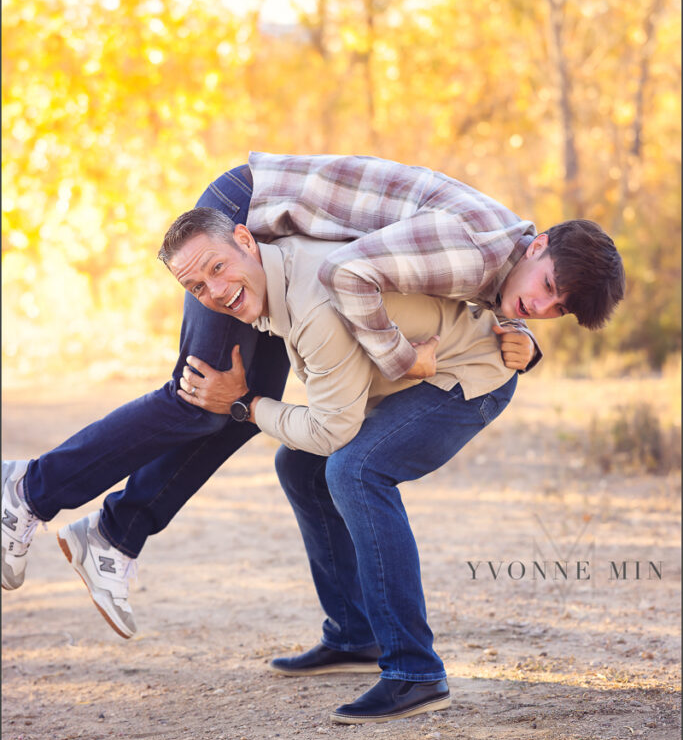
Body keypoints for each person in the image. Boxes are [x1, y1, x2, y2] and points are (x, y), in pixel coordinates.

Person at [2, 154, 624, 643]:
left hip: (279, 251)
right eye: (548, 288)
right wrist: (404, 360)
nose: (543, 307)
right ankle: (27, 490)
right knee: (200, 396)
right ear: (537, 243)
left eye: (558, 309)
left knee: (242, 405)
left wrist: (524, 341)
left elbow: (472, 306)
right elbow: (352, 274)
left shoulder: (504, 259)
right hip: (245, 216)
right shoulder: (475, 248)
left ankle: (113, 536)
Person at [157, 204, 620, 722]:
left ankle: (414, 671)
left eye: (558, 309)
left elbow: (334, 430)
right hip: (415, 371)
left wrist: (245, 405)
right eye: (199, 284)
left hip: (471, 379)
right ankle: (355, 636)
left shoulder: (313, 303)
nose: (214, 291)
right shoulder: (295, 266)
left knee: (354, 470)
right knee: (299, 466)